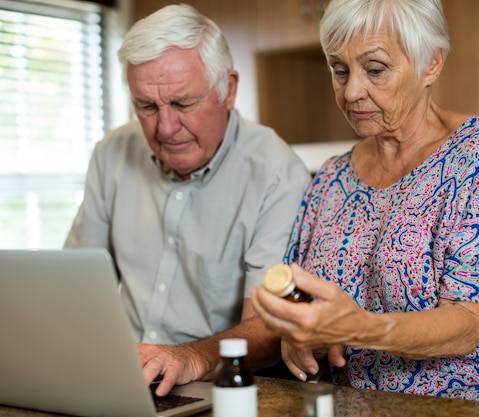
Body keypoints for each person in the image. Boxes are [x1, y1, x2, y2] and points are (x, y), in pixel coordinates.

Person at [250, 0, 479, 409]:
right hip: (362, 403)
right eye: (339, 70)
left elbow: (467, 325)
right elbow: (299, 303)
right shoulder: (329, 178)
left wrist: (359, 327)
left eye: (375, 70)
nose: (351, 91)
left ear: (431, 63)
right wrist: (297, 337)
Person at [64, 4, 310, 396]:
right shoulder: (112, 152)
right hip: (120, 378)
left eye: (182, 103)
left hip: (214, 384)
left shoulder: (276, 173)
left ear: (228, 89)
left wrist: (190, 357)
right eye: (147, 106)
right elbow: (74, 288)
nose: (165, 127)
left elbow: (269, 329)